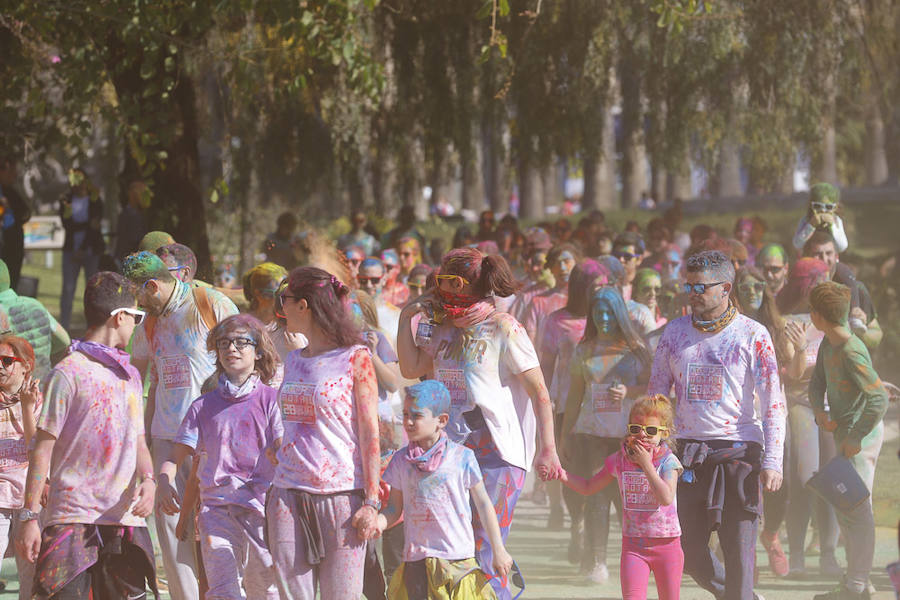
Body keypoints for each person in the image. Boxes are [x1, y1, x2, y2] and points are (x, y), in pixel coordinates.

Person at [396, 248, 561, 599]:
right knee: (453, 547)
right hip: (449, 455)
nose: (444, 290)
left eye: (452, 283)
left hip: (497, 456)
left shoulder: (504, 327)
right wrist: (408, 315)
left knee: (487, 547)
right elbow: (411, 369)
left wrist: (548, 450)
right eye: (441, 281)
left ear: (472, 284)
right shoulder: (441, 327)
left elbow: (540, 393)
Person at [648, 250, 786, 600]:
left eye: (701, 287)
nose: (693, 292)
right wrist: (651, 446)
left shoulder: (753, 334)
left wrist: (772, 462)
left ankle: (741, 595)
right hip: (687, 455)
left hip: (739, 453)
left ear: (726, 287)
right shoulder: (674, 334)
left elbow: (773, 402)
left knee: (739, 555)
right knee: (688, 552)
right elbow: (656, 397)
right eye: (689, 285)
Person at [16, 271, 157, 598]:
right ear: (119, 316)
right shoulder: (68, 373)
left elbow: (138, 441)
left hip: (123, 521)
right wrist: (29, 516)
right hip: (71, 519)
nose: (136, 324)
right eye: (136, 316)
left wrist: (149, 480)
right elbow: (42, 449)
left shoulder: (131, 375)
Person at [123, 251, 239, 600]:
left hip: (214, 437)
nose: (136, 304)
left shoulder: (210, 303)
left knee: (220, 530)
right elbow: (139, 378)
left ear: (152, 285)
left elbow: (249, 363)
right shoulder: (149, 322)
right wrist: (137, 438)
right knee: (173, 535)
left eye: (137, 295)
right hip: (165, 438)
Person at [265, 266, 381, 598]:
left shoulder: (356, 358)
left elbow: (370, 432)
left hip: (343, 497)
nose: (280, 307)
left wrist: (371, 502)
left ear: (304, 305)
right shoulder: (293, 360)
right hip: (287, 492)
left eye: (284, 300)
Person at [157, 314, 282, 599]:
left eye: (241, 342)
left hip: (263, 511)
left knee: (265, 590)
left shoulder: (271, 400)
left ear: (258, 350)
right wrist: (163, 482)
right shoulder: (202, 406)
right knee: (223, 589)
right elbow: (174, 458)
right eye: (224, 343)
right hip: (216, 512)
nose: (232, 349)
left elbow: (284, 447)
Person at [376, 381, 512, 600]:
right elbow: (393, 508)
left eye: (417, 416)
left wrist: (499, 550)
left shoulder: (462, 458)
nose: (408, 422)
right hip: (417, 561)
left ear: (442, 420)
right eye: (405, 414)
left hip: (458, 563)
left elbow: (485, 505)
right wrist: (378, 523)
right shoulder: (401, 461)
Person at [560, 286, 653, 582]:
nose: (602, 317)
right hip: (590, 436)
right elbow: (574, 396)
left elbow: (654, 390)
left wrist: (629, 392)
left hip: (628, 438)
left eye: (608, 311)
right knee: (596, 499)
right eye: (597, 311)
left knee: (630, 504)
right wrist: (564, 436)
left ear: (619, 314)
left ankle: (637, 560)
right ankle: (597, 561)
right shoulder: (584, 349)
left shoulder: (637, 350)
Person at [808, 282, 888, 600]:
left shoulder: (851, 350)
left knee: (858, 511)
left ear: (818, 317)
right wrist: (818, 412)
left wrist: (855, 436)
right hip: (844, 435)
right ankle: (855, 583)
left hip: (862, 439)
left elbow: (879, 399)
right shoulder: (828, 344)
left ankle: (857, 587)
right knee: (847, 510)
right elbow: (816, 384)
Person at [561, 395, 683, 600]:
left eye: (651, 431)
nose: (643, 435)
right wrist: (561, 474)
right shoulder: (619, 461)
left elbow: (666, 497)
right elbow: (589, 487)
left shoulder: (668, 462)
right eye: (636, 429)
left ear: (664, 433)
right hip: (634, 548)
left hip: (668, 547)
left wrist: (646, 465)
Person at [775, 258, 841, 578]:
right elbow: (794, 376)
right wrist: (802, 350)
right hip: (802, 407)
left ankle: (828, 553)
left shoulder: (834, 319)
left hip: (833, 408)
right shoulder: (790, 322)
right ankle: (797, 554)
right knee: (804, 481)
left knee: (830, 481)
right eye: (816, 280)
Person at [538, 260, 608, 531]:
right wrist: (543, 401)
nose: (600, 292)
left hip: (603, 409)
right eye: (595, 287)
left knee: (598, 472)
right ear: (580, 288)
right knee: (570, 470)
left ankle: (592, 534)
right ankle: (576, 520)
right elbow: (545, 366)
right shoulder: (557, 321)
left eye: (605, 286)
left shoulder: (608, 318)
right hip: (567, 406)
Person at [0, 335, 41, 599]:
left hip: (30, 499)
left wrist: (26, 406)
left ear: (25, 366)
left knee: (31, 579)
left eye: (7, 361)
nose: (0, 367)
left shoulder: (39, 400)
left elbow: (37, 449)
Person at [803, 231, 883, 350]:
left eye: (828, 253)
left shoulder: (857, 290)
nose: (824, 259)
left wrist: (861, 331)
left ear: (836, 257)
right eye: (817, 254)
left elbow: (877, 337)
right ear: (807, 258)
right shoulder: (799, 289)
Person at [0, 259, 70, 380]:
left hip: (9, 395)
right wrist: (37, 355)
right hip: (42, 388)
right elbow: (64, 341)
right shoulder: (35, 305)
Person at [59, 168, 105, 330]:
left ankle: (93, 326)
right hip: (71, 250)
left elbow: (95, 228)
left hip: (91, 251)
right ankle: (64, 326)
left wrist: (83, 247)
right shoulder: (66, 199)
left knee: (92, 289)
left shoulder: (95, 199)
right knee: (68, 289)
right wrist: (87, 225)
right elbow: (67, 224)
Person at [521, 244, 580, 342]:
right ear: (550, 269)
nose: (562, 268)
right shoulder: (538, 302)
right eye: (556, 263)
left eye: (566, 262)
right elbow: (529, 342)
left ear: (576, 263)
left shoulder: (586, 300)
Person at [0, 154, 31, 290]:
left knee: (12, 280)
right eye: (11, 172)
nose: (14, 176)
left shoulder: (12, 192)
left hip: (13, 244)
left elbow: (26, 212)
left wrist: (11, 209)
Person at [793, 183, 848, 253]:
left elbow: (842, 247)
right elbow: (797, 244)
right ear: (811, 205)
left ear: (835, 207)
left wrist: (832, 226)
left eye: (828, 207)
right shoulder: (806, 220)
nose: (823, 210)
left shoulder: (837, 221)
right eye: (817, 206)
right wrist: (810, 225)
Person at [358, 257, 401, 343]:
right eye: (363, 280)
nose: (368, 285)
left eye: (374, 280)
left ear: (384, 279)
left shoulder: (396, 315)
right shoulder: (350, 311)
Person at [114, 180, 149, 262]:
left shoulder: (142, 214)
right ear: (132, 194)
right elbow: (124, 239)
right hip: (129, 258)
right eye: (141, 192)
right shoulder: (126, 214)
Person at [613, 232, 645, 301]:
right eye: (617, 255)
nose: (621, 260)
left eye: (627, 256)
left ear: (639, 259)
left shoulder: (646, 287)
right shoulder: (607, 286)